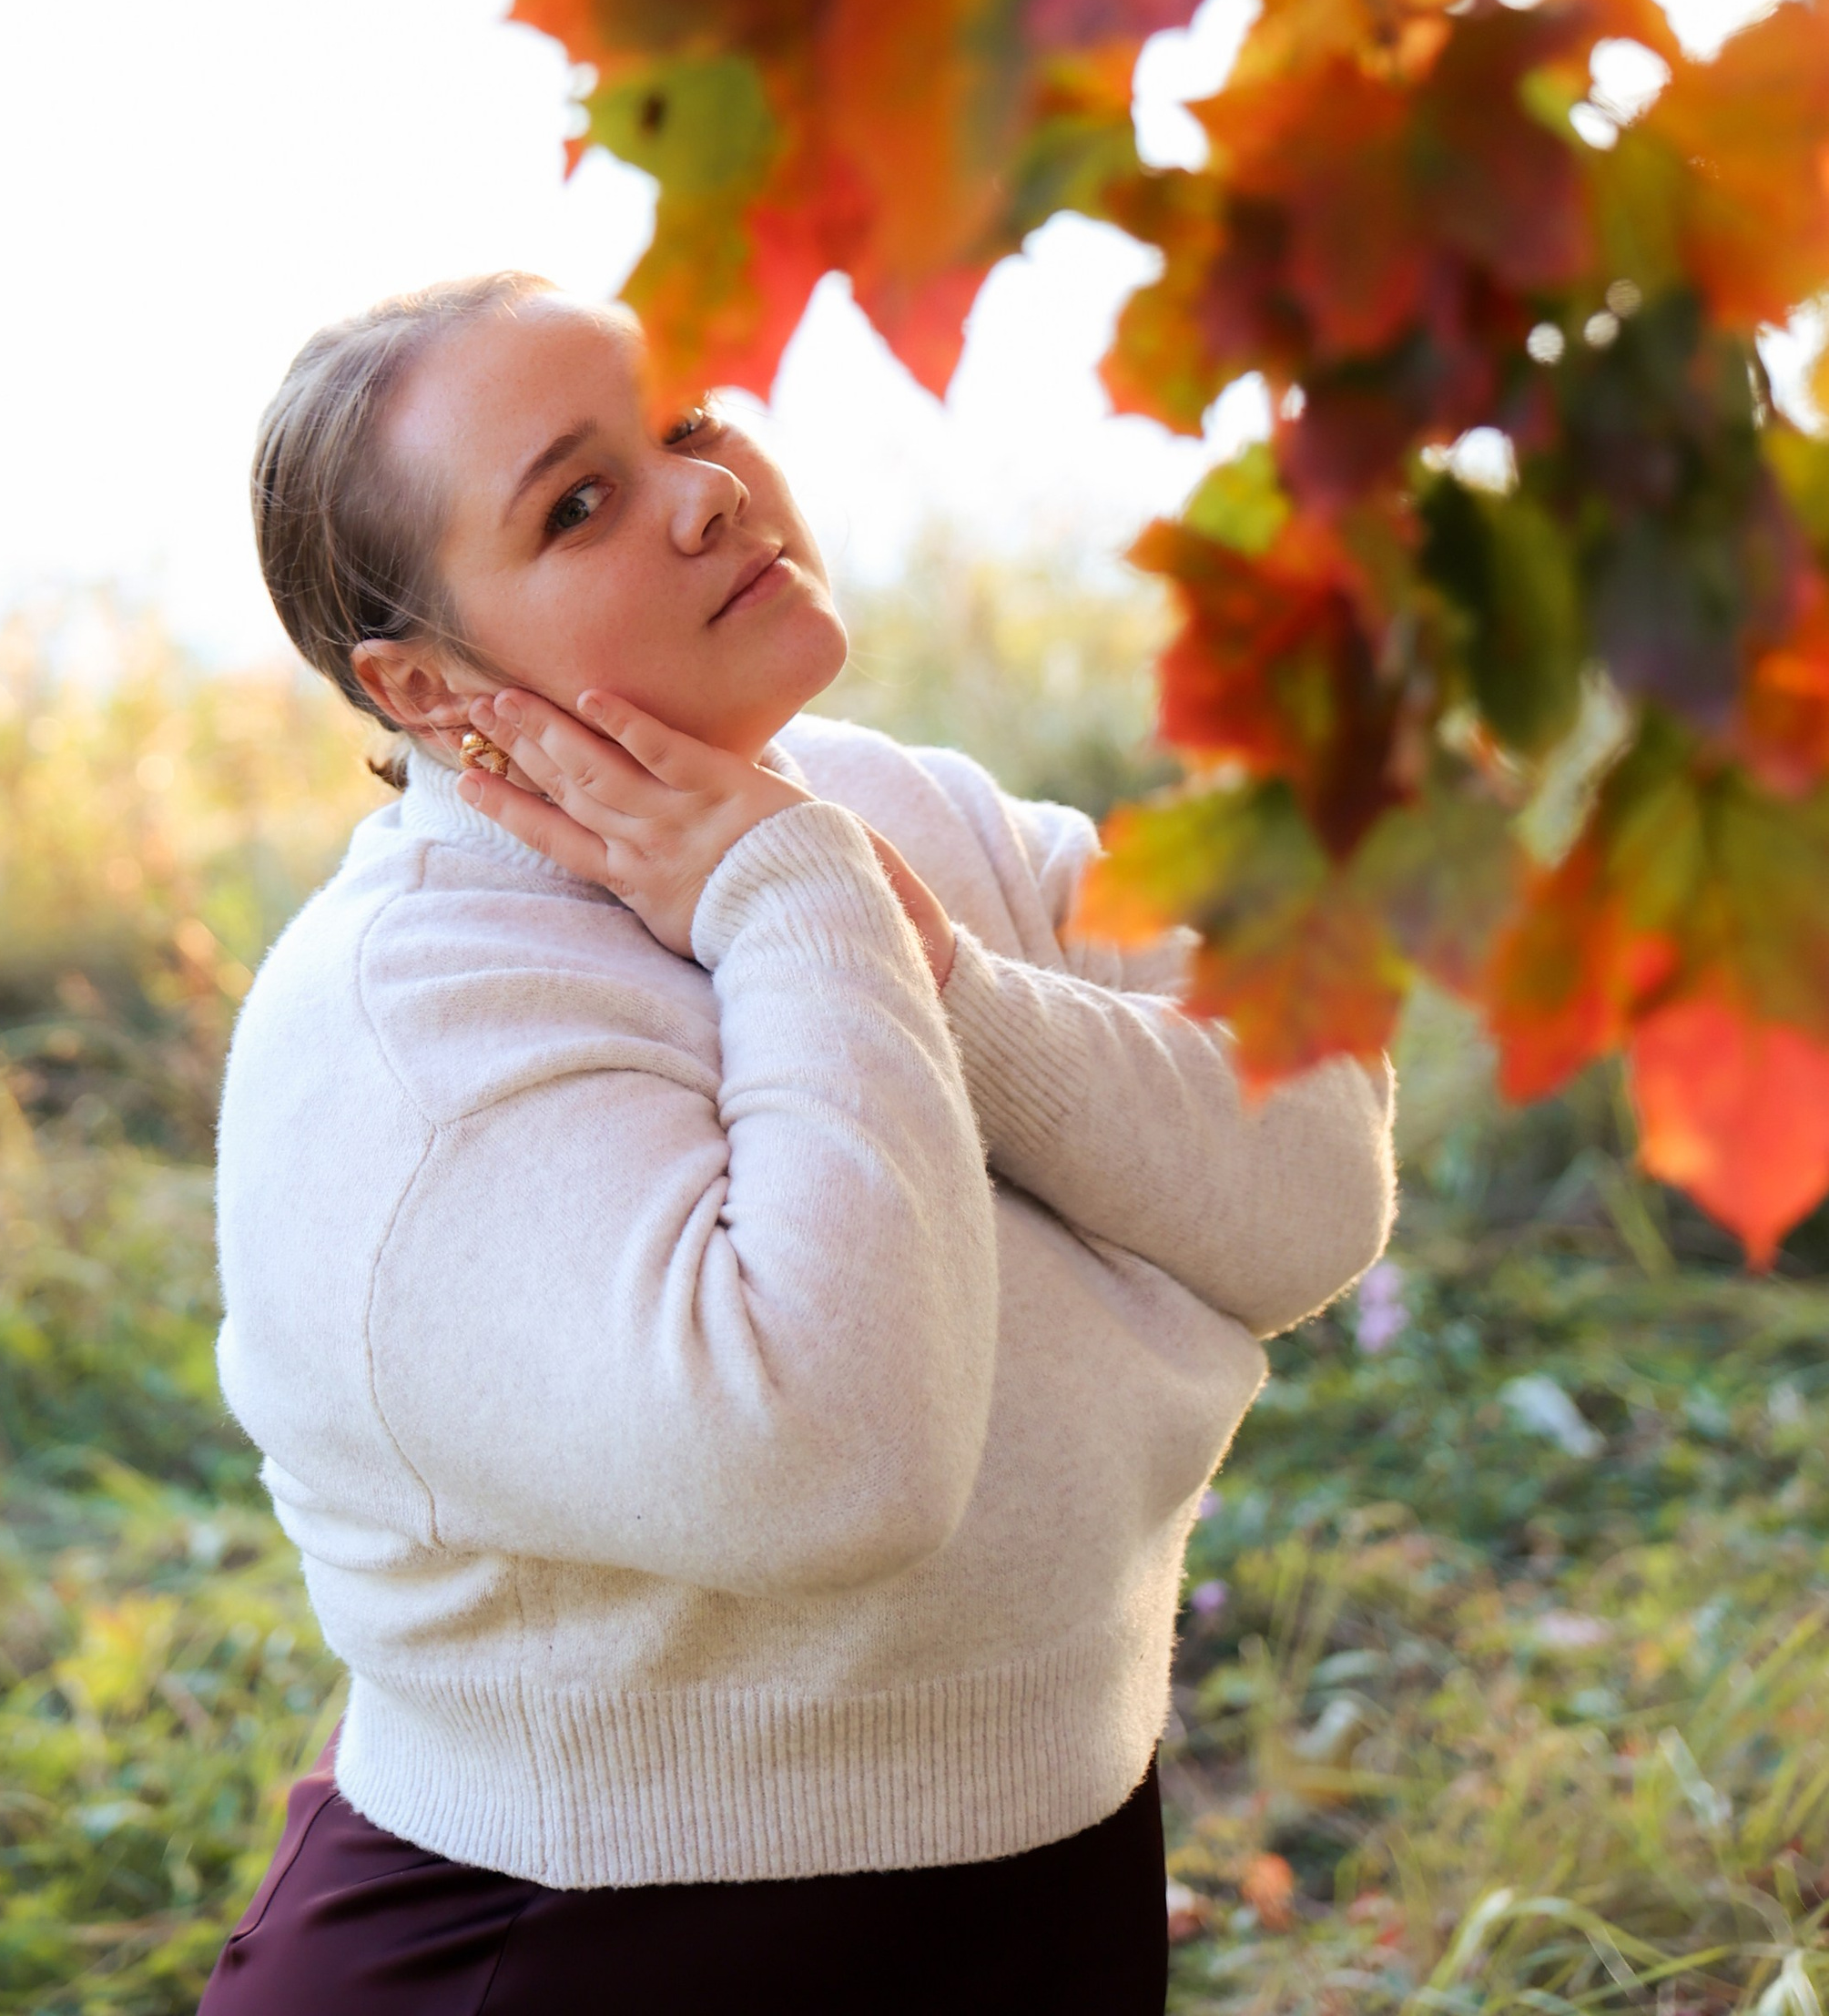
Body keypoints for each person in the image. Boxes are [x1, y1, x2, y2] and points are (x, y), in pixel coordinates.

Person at [202, 272, 1394, 2014]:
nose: (706, 491)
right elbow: (839, 1464)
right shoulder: (403, 1027)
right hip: (584, 1952)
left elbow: (1309, 1199)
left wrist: (938, 980)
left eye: (687, 417)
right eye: (578, 502)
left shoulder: (911, 810)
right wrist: (789, 899)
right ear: (420, 679)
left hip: (1045, 1896)